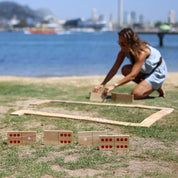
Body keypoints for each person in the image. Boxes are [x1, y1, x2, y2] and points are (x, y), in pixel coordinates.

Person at [93, 28, 167, 99]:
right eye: (119, 43)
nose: (120, 46)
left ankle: (156, 85)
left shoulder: (142, 52)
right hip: (146, 70)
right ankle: (154, 86)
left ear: (131, 42)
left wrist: (114, 86)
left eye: (123, 44)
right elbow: (114, 68)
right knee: (125, 69)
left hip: (157, 72)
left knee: (135, 94)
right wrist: (102, 84)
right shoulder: (123, 51)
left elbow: (132, 76)